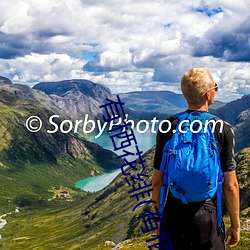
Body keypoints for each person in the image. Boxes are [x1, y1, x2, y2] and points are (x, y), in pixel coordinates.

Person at [152, 68, 240, 250]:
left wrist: (158, 220)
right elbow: (230, 185)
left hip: (173, 212)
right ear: (208, 94)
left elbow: (157, 182)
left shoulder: (168, 125)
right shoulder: (222, 129)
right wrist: (235, 225)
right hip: (207, 215)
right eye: (216, 87)